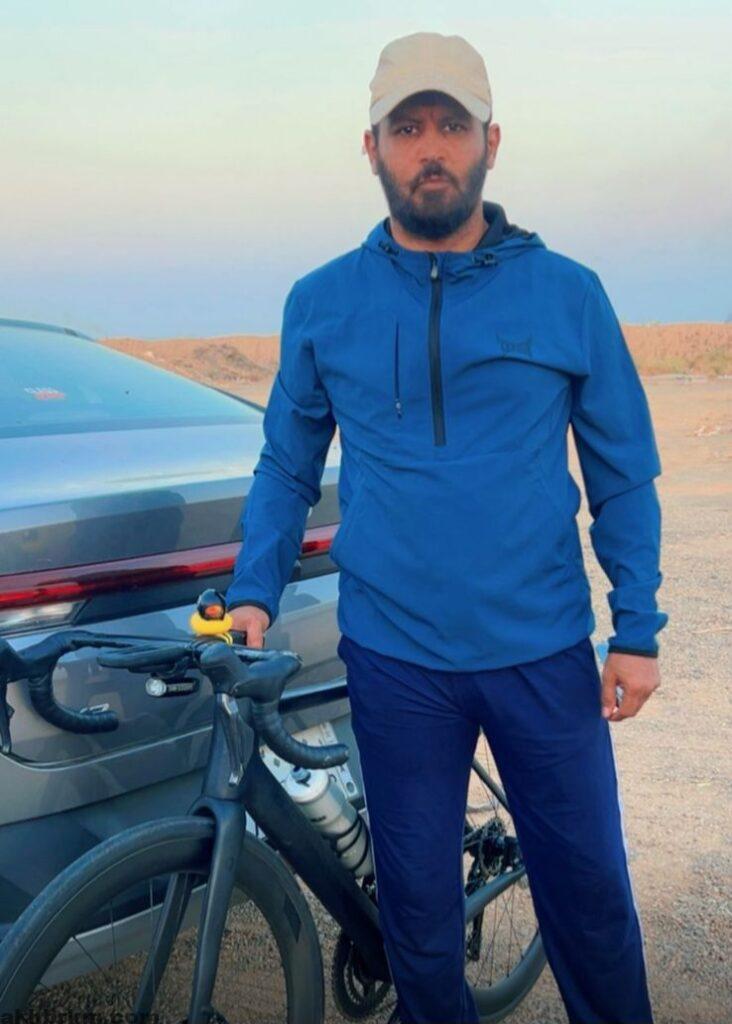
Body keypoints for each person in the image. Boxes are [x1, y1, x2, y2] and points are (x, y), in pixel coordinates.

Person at [226, 30, 667, 1024]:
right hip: (395, 659)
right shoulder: (322, 302)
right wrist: (254, 589)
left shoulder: (567, 293)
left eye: (453, 126)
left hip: (542, 651)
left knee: (590, 901)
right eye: (408, 127)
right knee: (418, 918)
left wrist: (637, 629)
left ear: (491, 143)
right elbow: (287, 464)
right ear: (372, 147)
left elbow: (622, 475)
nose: (432, 148)